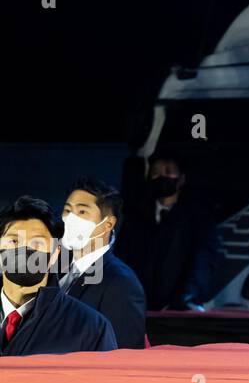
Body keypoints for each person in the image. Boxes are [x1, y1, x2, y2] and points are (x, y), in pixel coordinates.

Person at [1, 196, 117, 356]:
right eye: (14, 241)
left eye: (37, 243)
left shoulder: (91, 327)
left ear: (55, 254)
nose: (24, 250)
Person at [116, 151, 220, 311]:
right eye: (155, 173)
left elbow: (203, 260)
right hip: (140, 307)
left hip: (178, 310)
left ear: (181, 179)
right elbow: (122, 260)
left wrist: (187, 297)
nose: (162, 177)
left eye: (168, 171)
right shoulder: (135, 219)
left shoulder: (198, 219)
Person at [59, 177, 147, 349]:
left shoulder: (121, 282)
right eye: (67, 211)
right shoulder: (56, 270)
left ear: (108, 224)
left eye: (82, 212)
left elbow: (123, 352)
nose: (71, 219)